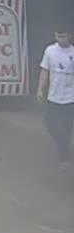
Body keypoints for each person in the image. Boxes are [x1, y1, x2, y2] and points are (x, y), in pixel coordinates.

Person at [37, 24, 74, 167]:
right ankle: (62, 143)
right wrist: (40, 89)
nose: (60, 39)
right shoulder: (50, 51)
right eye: (58, 36)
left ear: (69, 36)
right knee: (49, 122)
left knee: (67, 127)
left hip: (70, 97)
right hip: (53, 96)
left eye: (63, 36)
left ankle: (63, 156)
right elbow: (44, 71)